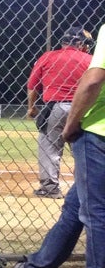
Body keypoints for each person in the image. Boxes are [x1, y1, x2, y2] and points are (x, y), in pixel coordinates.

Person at [12, 23, 105, 268]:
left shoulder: (51, 56)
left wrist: (39, 111)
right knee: (75, 204)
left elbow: (91, 81)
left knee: (95, 211)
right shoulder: (83, 57)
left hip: (92, 123)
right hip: (85, 113)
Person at [26, 26, 93, 198]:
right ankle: (90, 186)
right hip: (84, 108)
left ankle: (50, 188)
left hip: (56, 108)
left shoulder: (48, 57)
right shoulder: (90, 60)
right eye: (86, 44)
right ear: (80, 44)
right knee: (85, 148)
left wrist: (31, 106)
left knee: (49, 146)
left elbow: (33, 85)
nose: (87, 47)